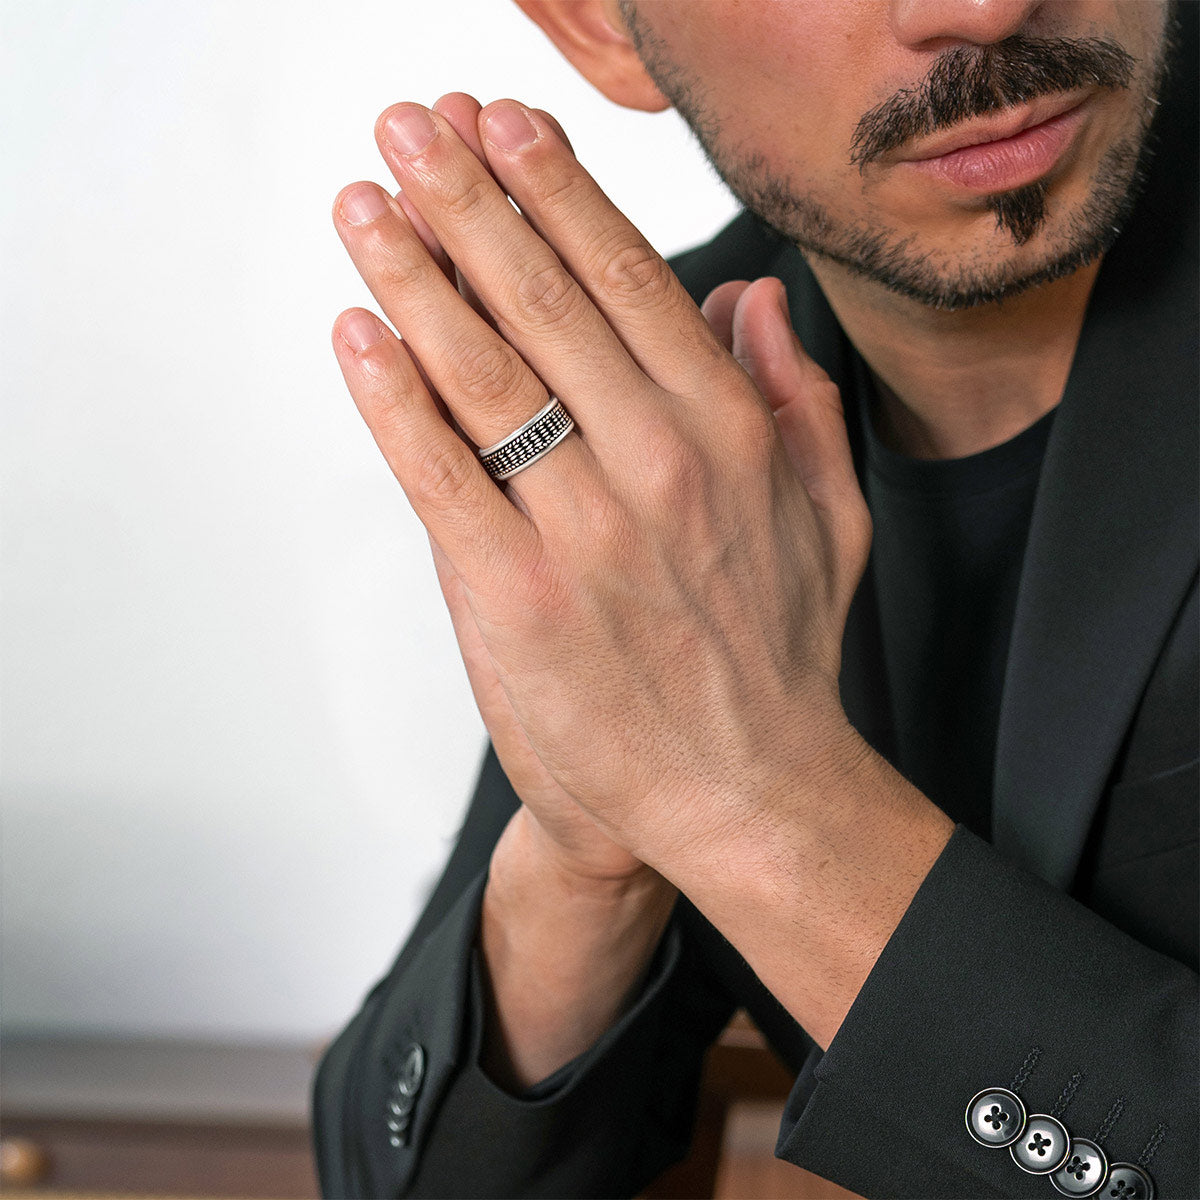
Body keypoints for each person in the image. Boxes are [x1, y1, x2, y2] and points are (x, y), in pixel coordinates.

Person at [311, 1, 1198, 1196]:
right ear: (598, 26)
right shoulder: (671, 415)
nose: (982, 7)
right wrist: (588, 863)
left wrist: (757, 810)